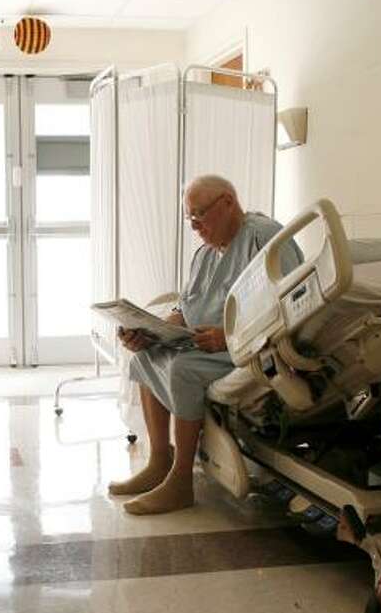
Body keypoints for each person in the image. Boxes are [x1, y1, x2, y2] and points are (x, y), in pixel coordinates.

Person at [110, 174, 303, 515]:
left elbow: (293, 307)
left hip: (251, 350)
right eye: (190, 218)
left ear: (228, 202)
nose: (195, 226)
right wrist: (148, 331)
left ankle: (181, 480)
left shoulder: (264, 238)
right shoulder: (206, 254)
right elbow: (184, 310)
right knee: (143, 358)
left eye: (200, 215)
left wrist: (227, 338)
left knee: (183, 369)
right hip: (209, 345)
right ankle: (159, 460)